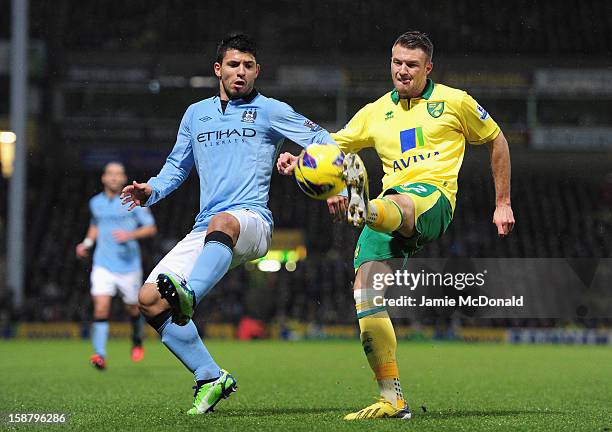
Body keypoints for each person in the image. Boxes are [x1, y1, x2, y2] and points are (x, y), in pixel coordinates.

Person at [277, 30, 515, 420]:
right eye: (397, 63)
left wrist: (502, 202)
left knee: (399, 201)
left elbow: (497, 139)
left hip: (432, 200)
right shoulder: (373, 113)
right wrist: (298, 160)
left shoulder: (455, 102)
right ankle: (393, 399)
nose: (402, 71)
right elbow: (332, 148)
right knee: (364, 293)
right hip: (387, 210)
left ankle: (364, 208)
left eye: (412, 65)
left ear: (428, 68)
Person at [120, 33, 336, 415]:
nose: (241, 72)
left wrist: (318, 173)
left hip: (252, 221)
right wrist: (149, 190)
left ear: (257, 71)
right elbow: (176, 166)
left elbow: (323, 138)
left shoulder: (270, 109)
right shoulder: (195, 114)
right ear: (218, 69)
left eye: (248, 66)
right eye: (233, 65)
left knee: (223, 222)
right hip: (208, 228)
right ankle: (209, 377)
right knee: (149, 300)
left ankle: (189, 295)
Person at [76, 161, 157, 370]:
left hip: (129, 265)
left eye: (118, 174)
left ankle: (137, 339)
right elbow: (95, 225)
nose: (114, 177)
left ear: (124, 179)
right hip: (102, 263)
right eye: (110, 174)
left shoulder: (133, 201)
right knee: (101, 308)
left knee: (133, 309)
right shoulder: (96, 203)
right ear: (103, 178)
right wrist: (86, 243)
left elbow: (150, 229)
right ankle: (99, 354)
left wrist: (130, 234)